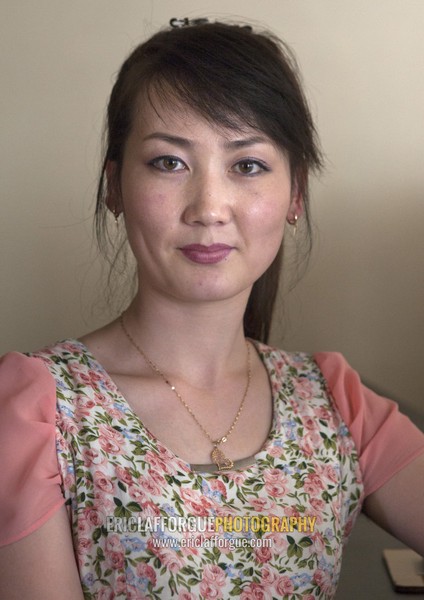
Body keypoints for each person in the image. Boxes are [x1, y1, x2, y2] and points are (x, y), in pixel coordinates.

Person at [0, 19, 423, 600]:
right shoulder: (37, 412)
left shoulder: (338, 403)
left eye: (247, 165)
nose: (209, 207)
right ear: (114, 187)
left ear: (295, 193)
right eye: (169, 163)